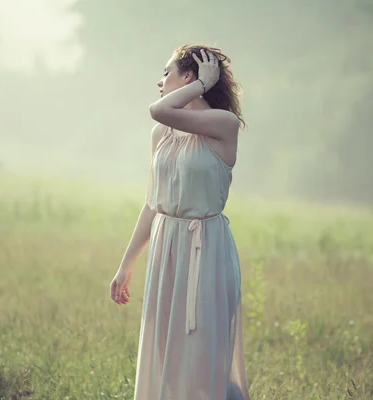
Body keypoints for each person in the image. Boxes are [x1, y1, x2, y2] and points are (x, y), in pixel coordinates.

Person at [109, 44, 250, 400]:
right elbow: (153, 204)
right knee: (165, 359)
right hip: (165, 249)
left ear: (191, 77)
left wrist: (203, 85)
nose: (160, 82)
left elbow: (158, 109)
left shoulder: (224, 125)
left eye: (167, 73)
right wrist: (126, 266)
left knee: (203, 361)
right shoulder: (163, 135)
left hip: (206, 251)